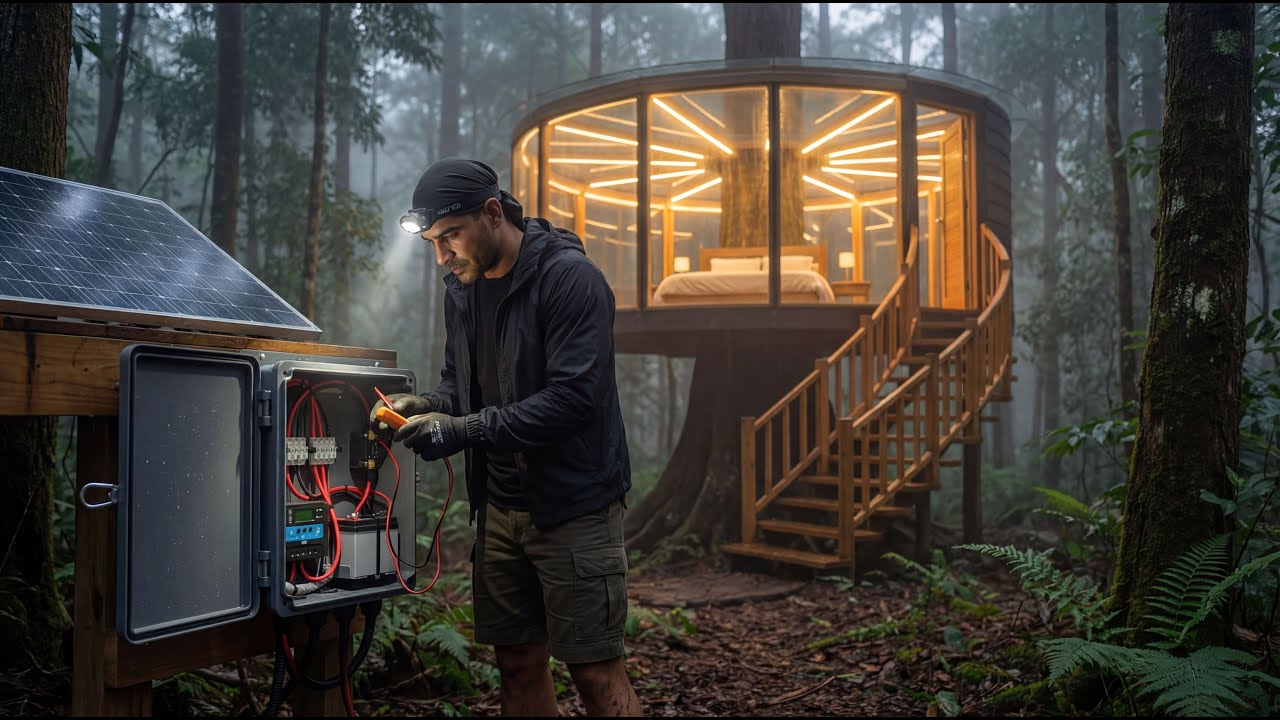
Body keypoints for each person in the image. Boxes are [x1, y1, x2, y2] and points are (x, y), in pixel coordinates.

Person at [371, 157, 642, 717]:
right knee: (517, 664)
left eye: (451, 236)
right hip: (498, 508)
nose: (442, 255)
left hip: (575, 504)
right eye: (431, 242)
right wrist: (428, 405)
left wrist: (462, 429)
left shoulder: (569, 279)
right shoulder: (462, 289)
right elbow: (461, 385)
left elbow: (572, 400)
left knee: (594, 672)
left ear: (493, 213)